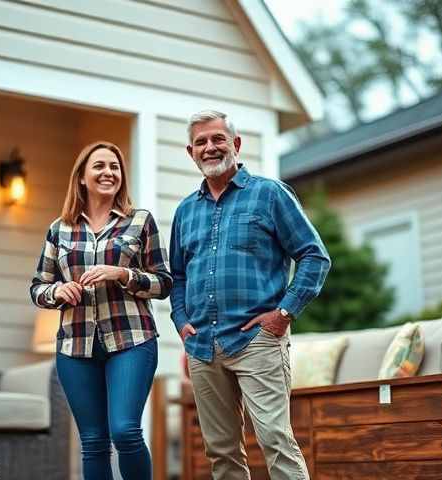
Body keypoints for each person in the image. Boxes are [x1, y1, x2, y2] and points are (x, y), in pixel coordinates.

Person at [169, 110, 330, 479]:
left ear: (235, 145)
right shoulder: (185, 211)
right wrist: (182, 323)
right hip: (203, 347)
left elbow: (314, 256)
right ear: (191, 152)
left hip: (258, 341)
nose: (210, 148)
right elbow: (177, 275)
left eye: (218, 139)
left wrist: (283, 315)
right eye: (201, 142)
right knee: (221, 452)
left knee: (276, 440)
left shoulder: (269, 194)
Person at [30, 141, 172, 480]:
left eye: (115, 167)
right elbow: (38, 286)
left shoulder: (140, 222)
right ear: (81, 177)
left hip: (132, 340)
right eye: (99, 166)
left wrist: (122, 274)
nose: (108, 172)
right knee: (93, 441)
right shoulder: (59, 229)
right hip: (75, 346)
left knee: (124, 431)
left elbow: (164, 283)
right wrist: (57, 291)